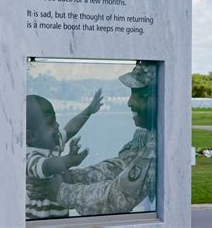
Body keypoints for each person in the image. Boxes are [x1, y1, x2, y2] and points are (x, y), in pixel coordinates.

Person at [45, 61, 157, 216]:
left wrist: (61, 191)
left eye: (139, 95)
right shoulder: (148, 134)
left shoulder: (158, 144)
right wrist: (70, 177)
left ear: (156, 98)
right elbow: (120, 167)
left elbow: (118, 197)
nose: (130, 102)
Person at [26, 89, 103, 219]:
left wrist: (88, 111)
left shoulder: (53, 142)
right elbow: (46, 166)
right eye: (50, 123)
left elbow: (70, 128)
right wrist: (68, 160)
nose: (57, 126)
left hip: (60, 217)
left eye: (55, 120)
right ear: (31, 136)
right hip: (37, 222)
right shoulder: (29, 156)